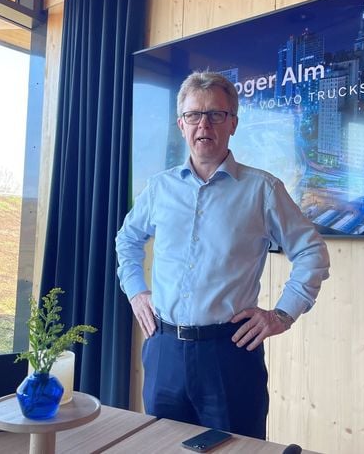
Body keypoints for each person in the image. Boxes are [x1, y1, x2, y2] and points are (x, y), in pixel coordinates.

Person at [115, 71, 330, 439]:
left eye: (216, 114)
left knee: (236, 450)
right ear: (182, 124)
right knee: (163, 449)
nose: (204, 124)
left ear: (233, 123)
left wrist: (282, 314)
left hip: (229, 354)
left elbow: (312, 251)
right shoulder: (160, 188)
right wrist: (136, 290)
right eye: (194, 115)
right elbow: (127, 239)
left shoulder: (262, 189)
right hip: (163, 349)